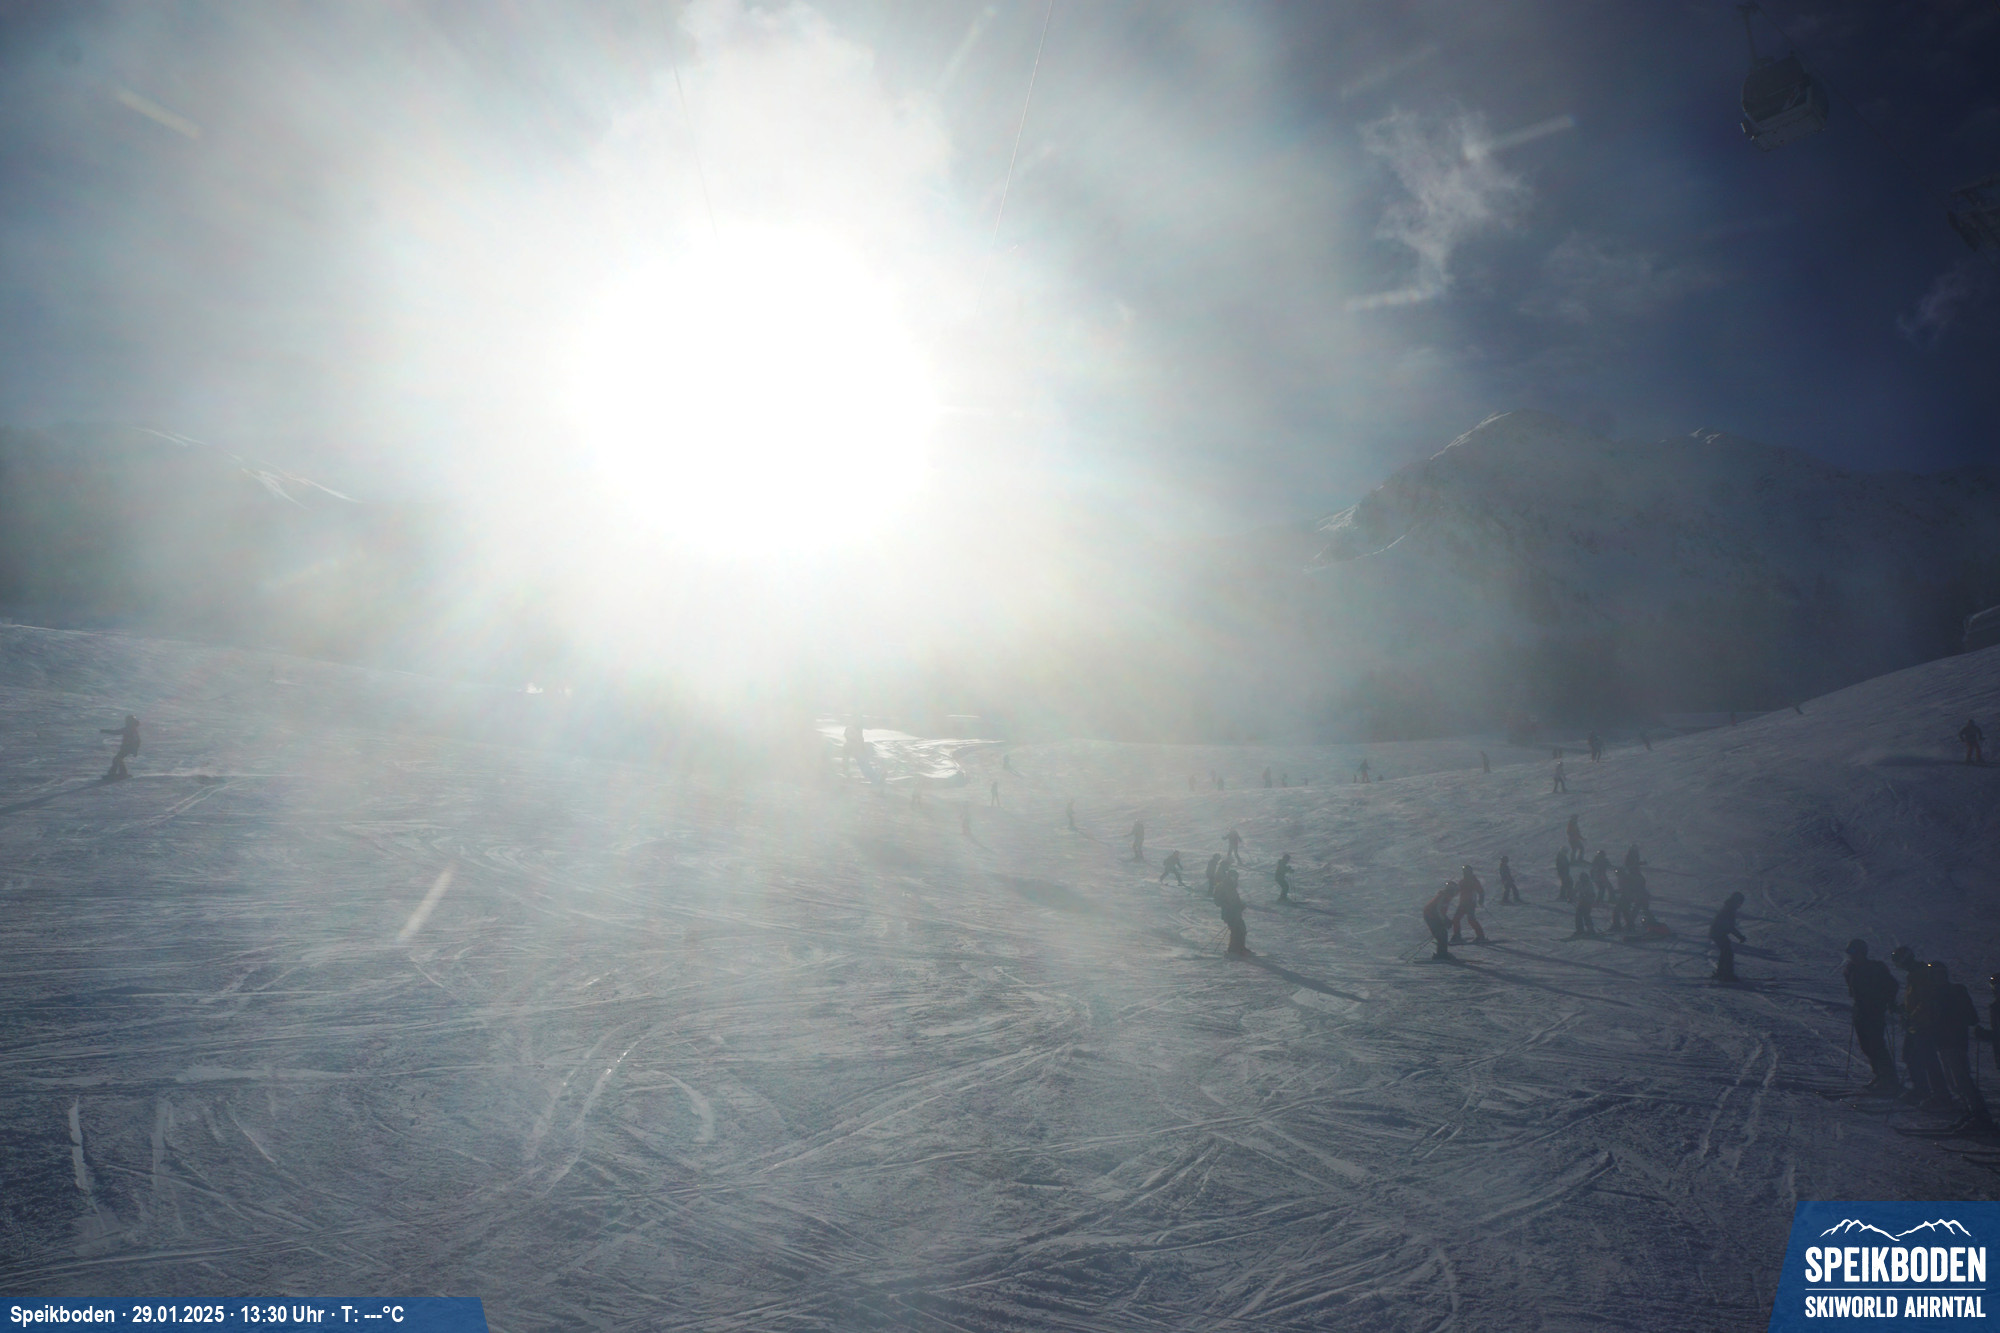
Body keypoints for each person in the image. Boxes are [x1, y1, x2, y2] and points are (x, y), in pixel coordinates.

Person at [1932, 962, 1996, 1131]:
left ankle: (1980, 1115)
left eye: (1938, 974)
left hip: (1955, 1042)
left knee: (1961, 1079)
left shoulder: (1954, 991)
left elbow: (1971, 1017)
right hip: (1944, 1042)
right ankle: (1971, 1112)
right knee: (1954, 1081)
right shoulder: (1936, 993)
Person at [1891, 946, 1951, 1107]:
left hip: (1923, 1024)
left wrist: (1913, 1017)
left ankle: (1940, 1094)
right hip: (1916, 1023)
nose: (1899, 966)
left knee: (1927, 1058)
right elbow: (1915, 1000)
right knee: (1911, 1056)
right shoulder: (1914, 974)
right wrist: (1903, 1009)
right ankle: (1922, 1089)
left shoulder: (1920, 975)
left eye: (1898, 963)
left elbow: (1925, 1001)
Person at [1842, 940, 1901, 1092]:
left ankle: (1889, 1078)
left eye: (1854, 953)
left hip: (1874, 1011)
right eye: (1850, 953)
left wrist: (1888, 1001)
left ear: (1862, 953)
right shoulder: (1850, 969)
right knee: (1866, 1045)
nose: (1852, 956)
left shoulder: (1875, 968)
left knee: (1876, 1044)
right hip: (1861, 1010)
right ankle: (1881, 1075)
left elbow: (1892, 985)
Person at [1213, 862, 1249, 957]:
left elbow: (1235, 899)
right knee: (1236, 930)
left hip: (1235, 912)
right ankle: (1233, 949)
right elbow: (1217, 901)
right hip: (1228, 912)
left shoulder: (1232, 886)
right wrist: (1227, 905)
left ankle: (1240, 947)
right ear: (1229, 877)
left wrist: (1240, 905)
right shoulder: (1222, 886)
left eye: (1235, 877)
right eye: (1233, 877)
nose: (1234, 879)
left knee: (1241, 929)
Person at [1708, 892, 1746, 981]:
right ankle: (1727, 974)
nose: (1740, 905)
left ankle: (1721, 972)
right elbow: (1729, 926)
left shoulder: (1729, 907)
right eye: (1740, 902)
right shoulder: (1729, 910)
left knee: (1725, 952)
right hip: (1718, 933)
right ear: (1736, 901)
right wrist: (1740, 936)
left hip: (1718, 932)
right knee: (1728, 953)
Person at [1450, 865, 1486, 944]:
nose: (1465, 873)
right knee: (1456, 919)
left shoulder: (1473, 881)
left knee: (1471, 920)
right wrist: (1450, 894)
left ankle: (1481, 936)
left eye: (1466, 872)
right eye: (1464, 872)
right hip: (1462, 903)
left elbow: (1481, 891)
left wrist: (1481, 899)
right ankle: (1457, 935)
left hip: (1470, 903)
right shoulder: (1462, 881)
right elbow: (1457, 890)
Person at [1422, 882, 1457, 960]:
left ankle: (1442, 953)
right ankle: (1441, 955)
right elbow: (1437, 910)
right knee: (1441, 934)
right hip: (1430, 916)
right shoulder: (1443, 897)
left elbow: (1441, 911)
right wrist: (1444, 920)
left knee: (1443, 934)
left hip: (1434, 916)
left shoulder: (1446, 897)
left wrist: (1446, 919)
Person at [101, 714, 140, 780]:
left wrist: (135, 749)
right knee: (117, 759)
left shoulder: (130, 729)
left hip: (128, 748)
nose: (126, 722)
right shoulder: (130, 728)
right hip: (126, 747)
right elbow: (117, 732)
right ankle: (115, 773)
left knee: (118, 759)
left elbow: (137, 740)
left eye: (127, 721)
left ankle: (121, 773)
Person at [1570, 873, 1597, 938]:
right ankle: (1580, 930)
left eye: (1584, 878)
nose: (1583, 879)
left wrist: (1587, 896)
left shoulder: (1589, 884)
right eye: (1582, 878)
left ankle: (1590, 929)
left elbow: (1592, 894)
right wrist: (1571, 897)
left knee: (1586, 914)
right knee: (1578, 915)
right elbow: (1575, 891)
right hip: (1582, 901)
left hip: (1588, 901)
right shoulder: (1579, 883)